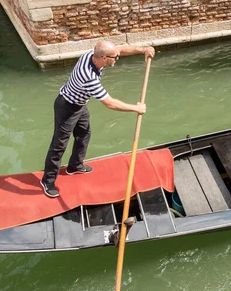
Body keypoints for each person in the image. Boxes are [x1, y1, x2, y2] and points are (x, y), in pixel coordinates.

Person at [41, 41, 156, 198]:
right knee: (59, 145)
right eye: (114, 58)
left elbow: (120, 48)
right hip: (66, 107)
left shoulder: (94, 55)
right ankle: (47, 181)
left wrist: (143, 50)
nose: (117, 59)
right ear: (103, 58)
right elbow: (110, 103)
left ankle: (74, 166)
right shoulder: (88, 76)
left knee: (84, 134)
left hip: (80, 104)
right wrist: (136, 108)